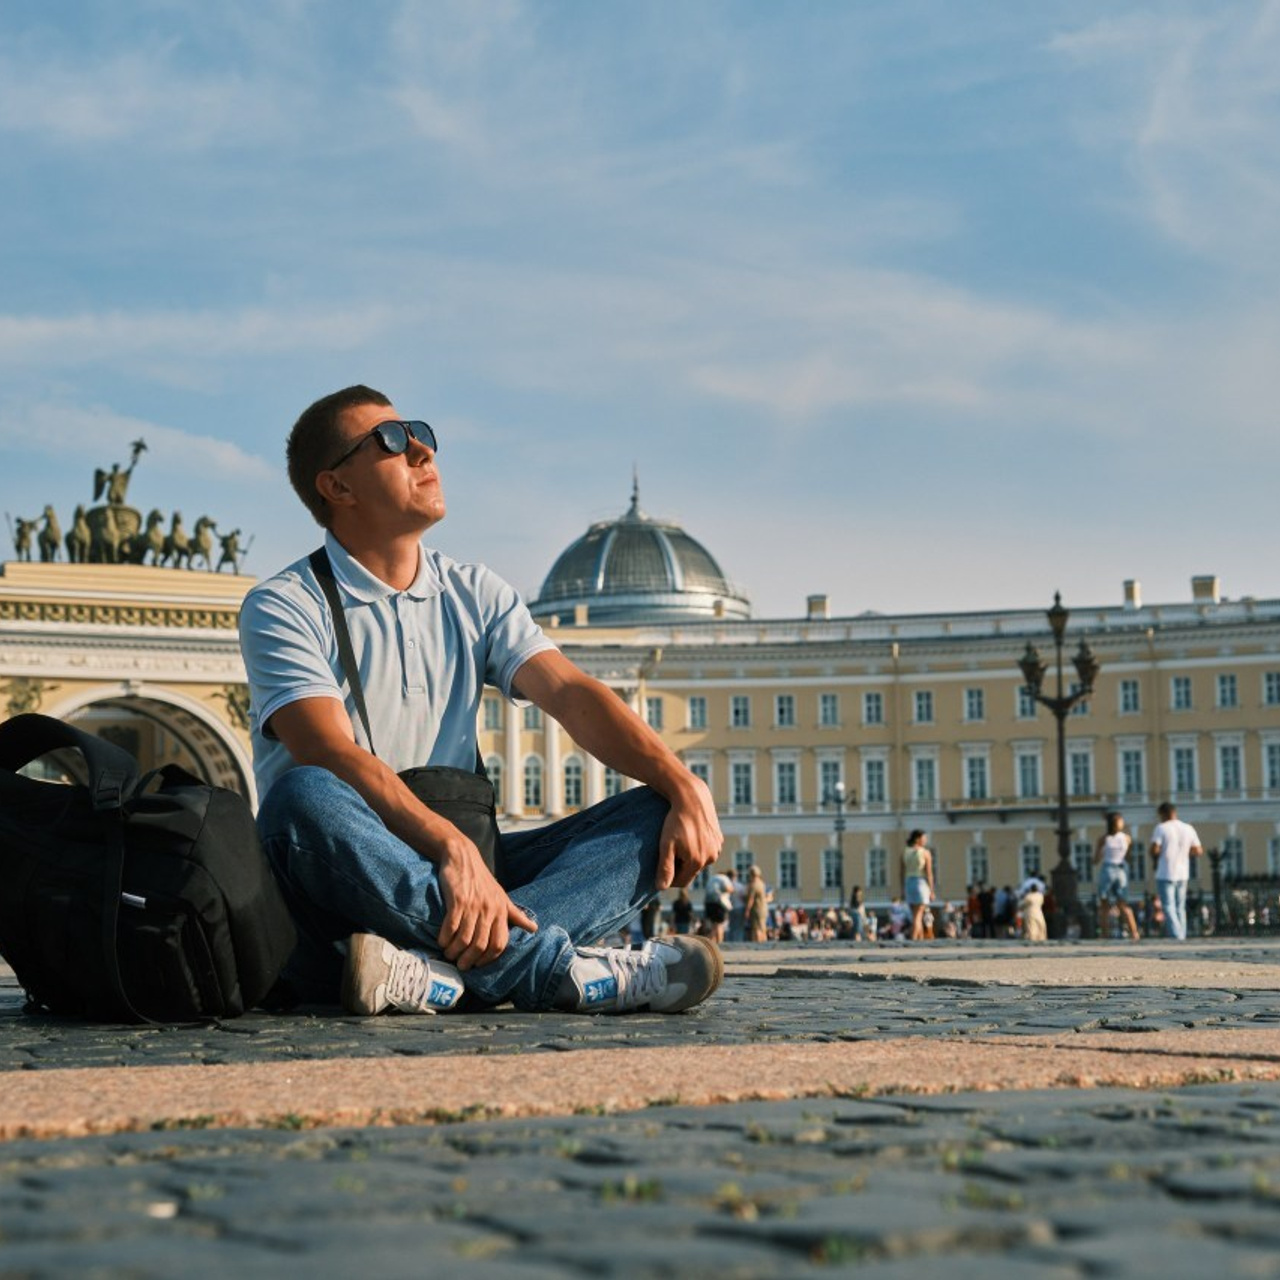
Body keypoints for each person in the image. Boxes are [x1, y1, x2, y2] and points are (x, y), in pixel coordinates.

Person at [240, 385, 724, 1017]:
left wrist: (683, 784)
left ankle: (431, 974)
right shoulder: (286, 604)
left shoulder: (474, 592)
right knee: (300, 798)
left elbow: (572, 694)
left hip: (472, 876)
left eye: (419, 432)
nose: (419, 448)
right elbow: (326, 750)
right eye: (389, 440)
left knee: (657, 807)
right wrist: (450, 847)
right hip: (340, 889)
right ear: (337, 487)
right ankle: (552, 971)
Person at [1150, 801, 1203, 940]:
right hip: (1183, 872)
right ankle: (1182, 934)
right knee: (1180, 906)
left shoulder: (1161, 828)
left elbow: (1155, 849)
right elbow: (1198, 850)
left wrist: (1158, 853)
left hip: (1165, 872)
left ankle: (1176, 935)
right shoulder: (1188, 828)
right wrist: (1184, 852)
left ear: (1163, 814)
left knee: (1168, 906)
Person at [1094, 812, 1141, 940]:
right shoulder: (1126, 838)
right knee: (1123, 904)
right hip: (1121, 869)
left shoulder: (1104, 839)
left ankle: (1104, 934)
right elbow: (1129, 857)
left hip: (1108, 868)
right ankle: (1134, 933)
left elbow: (1096, 859)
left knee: (1104, 905)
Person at [900, 830, 935, 941]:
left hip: (908, 883)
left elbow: (901, 873)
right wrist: (932, 890)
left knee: (916, 915)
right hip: (920, 883)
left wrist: (902, 889)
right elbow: (929, 873)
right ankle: (913, 940)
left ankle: (920, 940)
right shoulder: (925, 852)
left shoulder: (905, 852)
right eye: (924, 838)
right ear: (917, 839)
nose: (925, 840)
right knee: (918, 915)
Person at [704, 868, 732, 943]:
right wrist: (731, 890)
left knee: (713, 925)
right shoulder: (724, 878)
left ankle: (711, 943)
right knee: (719, 924)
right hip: (719, 903)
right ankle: (720, 943)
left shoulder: (711, 878)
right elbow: (728, 888)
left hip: (708, 903)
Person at [744, 865, 770, 942]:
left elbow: (751, 899)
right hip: (764, 907)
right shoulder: (762, 883)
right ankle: (764, 942)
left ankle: (758, 944)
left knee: (756, 928)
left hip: (757, 908)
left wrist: (747, 911)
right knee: (763, 927)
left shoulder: (754, 885)